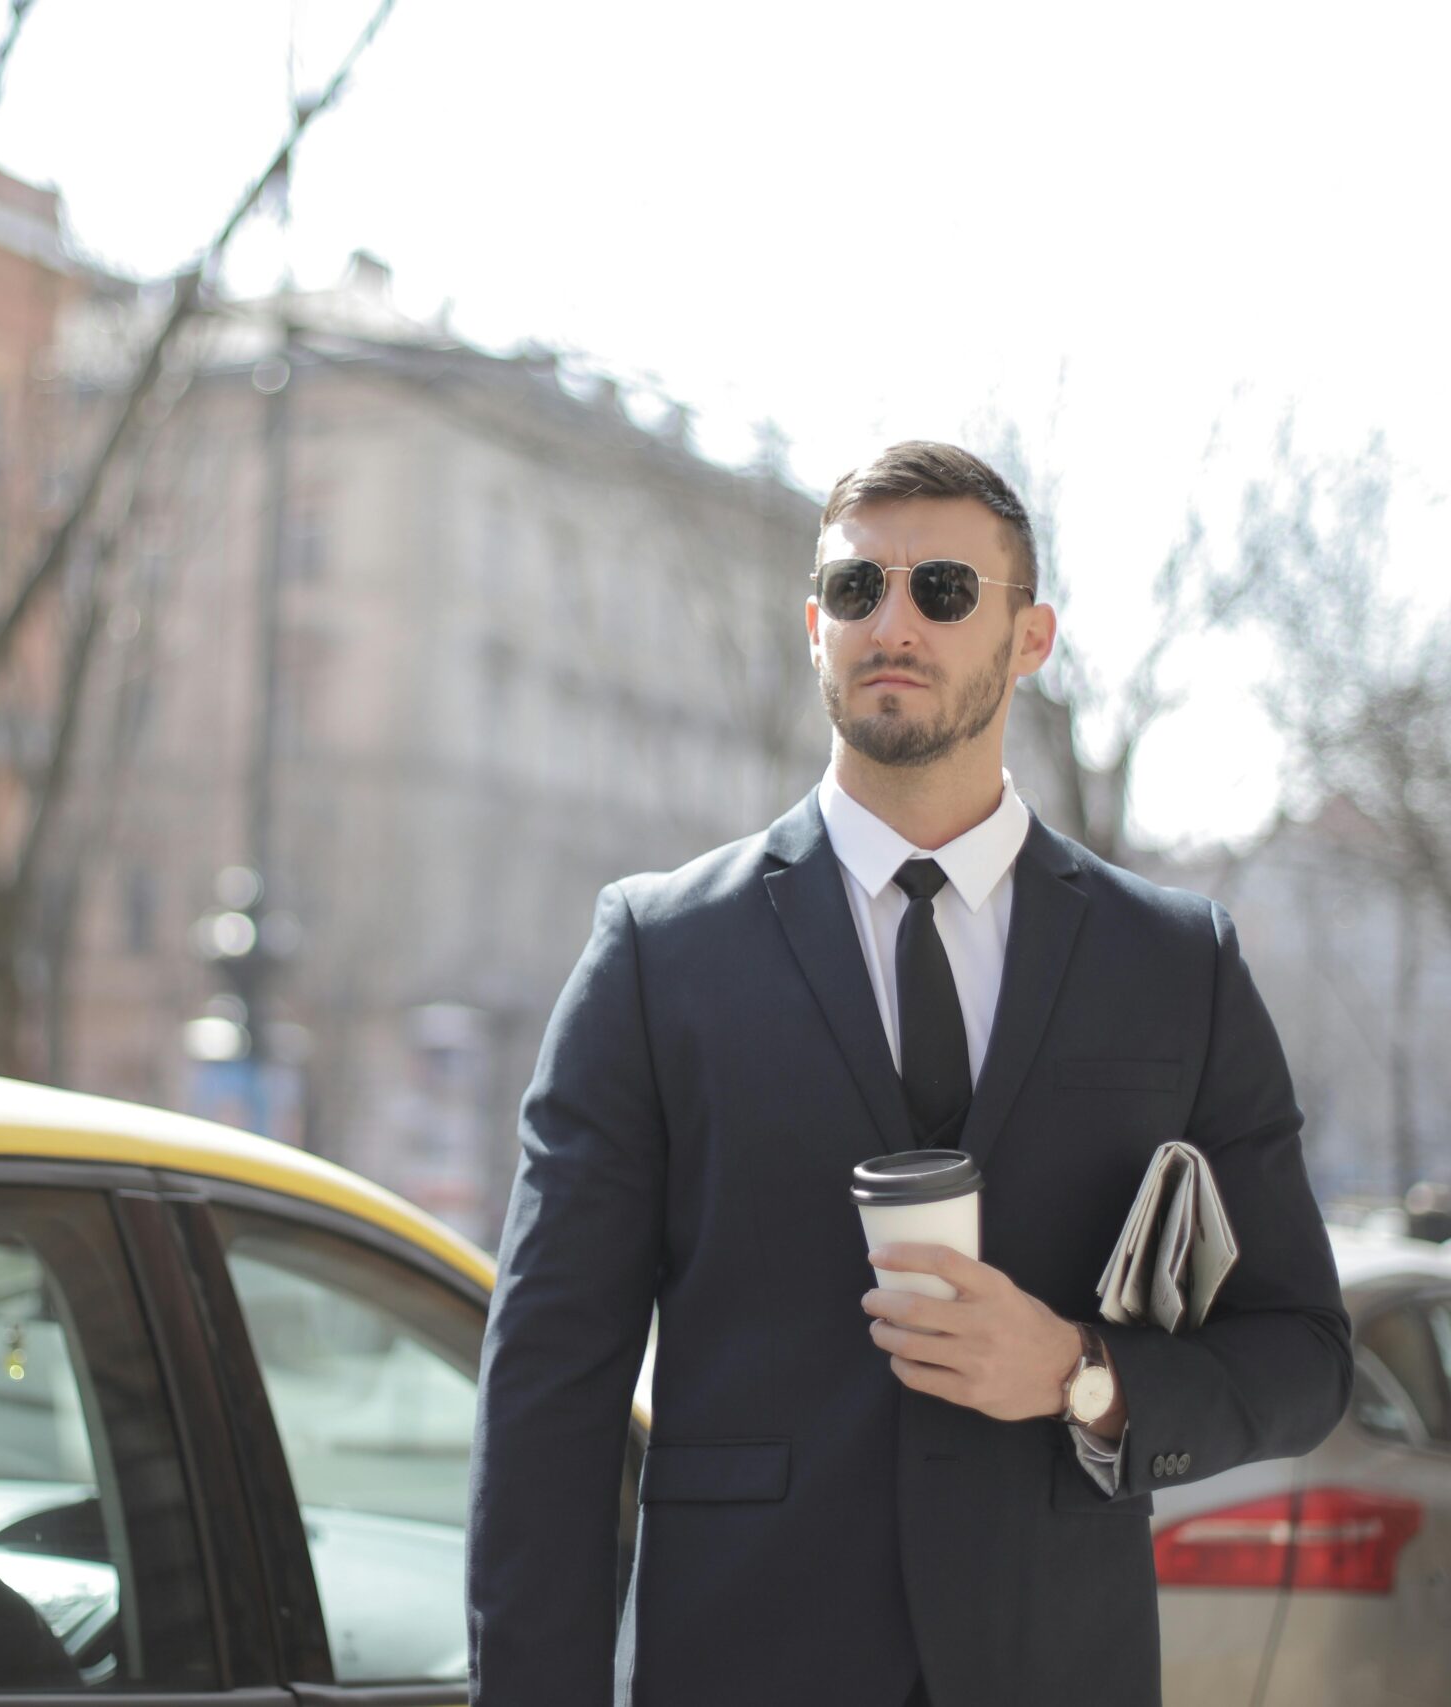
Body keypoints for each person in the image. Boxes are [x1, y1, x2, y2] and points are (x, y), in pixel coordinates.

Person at [466, 442, 1353, 1707]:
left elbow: (1302, 1354)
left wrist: (1079, 1373)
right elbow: (549, 1386)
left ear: (1029, 637)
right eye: (854, 589)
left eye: (941, 590)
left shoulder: (1174, 964)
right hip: (742, 1667)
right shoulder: (658, 952)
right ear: (813, 629)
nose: (891, 625)